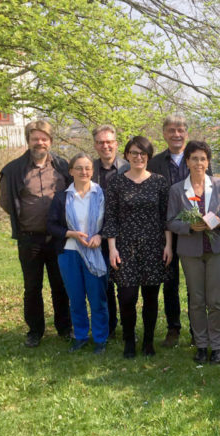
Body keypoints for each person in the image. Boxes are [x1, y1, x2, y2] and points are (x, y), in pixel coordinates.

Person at [0, 120, 72, 347]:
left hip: (58, 237)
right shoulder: (13, 170)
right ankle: (35, 330)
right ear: (28, 140)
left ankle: (64, 327)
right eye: (35, 138)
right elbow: (5, 202)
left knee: (60, 285)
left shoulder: (62, 166)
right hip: (29, 238)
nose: (39, 142)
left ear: (50, 141)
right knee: (32, 287)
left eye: (44, 138)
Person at [167, 140, 220, 365]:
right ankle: (201, 344)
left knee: (215, 300)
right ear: (187, 161)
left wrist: (215, 224)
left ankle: (216, 346)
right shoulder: (177, 190)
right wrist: (188, 227)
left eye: (203, 158)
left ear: (208, 162)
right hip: (190, 251)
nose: (199, 162)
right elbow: (170, 221)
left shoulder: (219, 185)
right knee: (196, 300)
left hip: (216, 249)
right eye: (194, 158)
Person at [103, 136, 172, 358]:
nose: (138, 157)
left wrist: (168, 245)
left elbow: (166, 217)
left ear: (148, 156)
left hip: (154, 246)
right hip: (125, 246)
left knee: (151, 297)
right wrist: (112, 248)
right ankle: (129, 340)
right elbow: (110, 217)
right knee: (127, 297)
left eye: (143, 153)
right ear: (127, 155)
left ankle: (148, 341)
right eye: (134, 153)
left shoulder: (160, 182)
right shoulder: (116, 182)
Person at [47, 153, 109, 354]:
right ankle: (81, 336)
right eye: (79, 168)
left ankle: (100, 338)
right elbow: (51, 226)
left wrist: (100, 235)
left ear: (93, 171)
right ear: (71, 171)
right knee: (75, 298)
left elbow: (111, 221)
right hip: (69, 253)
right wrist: (70, 233)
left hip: (95, 252)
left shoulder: (102, 195)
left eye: (88, 168)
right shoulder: (62, 197)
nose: (84, 172)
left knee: (97, 298)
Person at [148, 114, 192, 347]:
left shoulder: (196, 158)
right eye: (171, 130)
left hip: (193, 230)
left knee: (195, 282)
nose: (176, 134)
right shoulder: (154, 163)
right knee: (170, 281)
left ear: (186, 133)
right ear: (164, 133)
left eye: (180, 130)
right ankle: (173, 328)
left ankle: (197, 329)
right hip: (165, 232)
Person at [91, 124, 129, 339]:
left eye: (109, 142)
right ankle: (109, 326)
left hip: (123, 236)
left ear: (116, 144)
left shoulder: (127, 167)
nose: (105, 146)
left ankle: (127, 325)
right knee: (102, 285)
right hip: (96, 236)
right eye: (101, 142)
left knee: (124, 284)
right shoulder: (88, 169)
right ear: (95, 145)